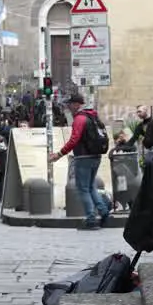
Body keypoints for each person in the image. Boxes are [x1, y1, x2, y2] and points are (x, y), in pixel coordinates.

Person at [49, 93, 113, 230]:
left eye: (70, 104)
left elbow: (74, 140)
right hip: (96, 156)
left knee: (83, 188)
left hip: (84, 157)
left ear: (77, 104)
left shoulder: (79, 119)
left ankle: (90, 219)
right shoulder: (93, 116)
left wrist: (59, 154)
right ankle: (104, 212)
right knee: (91, 187)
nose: (68, 107)